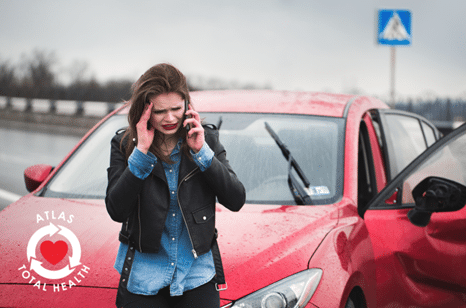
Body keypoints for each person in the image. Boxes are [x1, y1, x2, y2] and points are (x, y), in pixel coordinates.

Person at [105, 63, 246, 308]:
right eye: (160, 111)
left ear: (188, 107)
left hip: (196, 275)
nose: (170, 118)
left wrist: (202, 152)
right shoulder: (124, 144)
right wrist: (141, 153)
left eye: (176, 109)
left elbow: (235, 199)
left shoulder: (207, 140)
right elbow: (116, 210)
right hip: (144, 278)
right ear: (144, 111)